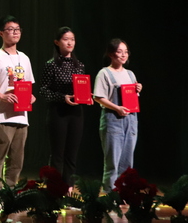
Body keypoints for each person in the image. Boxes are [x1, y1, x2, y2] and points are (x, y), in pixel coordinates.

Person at [0, 15, 36, 188]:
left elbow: (28, 85)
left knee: (17, 160)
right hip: (1, 115)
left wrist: (31, 97)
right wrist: (1, 96)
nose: (15, 33)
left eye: (17, 29)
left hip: (21, 115)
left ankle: (10, 192)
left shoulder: (24, 58)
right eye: (10, 30)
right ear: (1, 33)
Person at [39, 26, 87, 188]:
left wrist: (86, 96)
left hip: (76, 113)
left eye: (72, 39)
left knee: (72, 154)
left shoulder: (79, 65)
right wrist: (62, 97)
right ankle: (55, 188)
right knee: (57, 154)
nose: (69, 43)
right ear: (57, 42)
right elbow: (43, 90)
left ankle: (69, 188)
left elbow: (82, 88)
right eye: (66, 39)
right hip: (57, 113)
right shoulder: (51, 65)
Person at [93, 39, 142, 192]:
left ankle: (125, 194)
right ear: (110, 54)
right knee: (112, 163)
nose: (123, 55)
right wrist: (117, 108)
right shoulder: (104, 73)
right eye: (119, 52)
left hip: (131, 120)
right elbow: (98, 97)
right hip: (113, 120)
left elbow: (133, 98)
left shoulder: (130, 74)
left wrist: (138, 89)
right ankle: (110, 196)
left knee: (127, 163)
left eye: (126, 52)